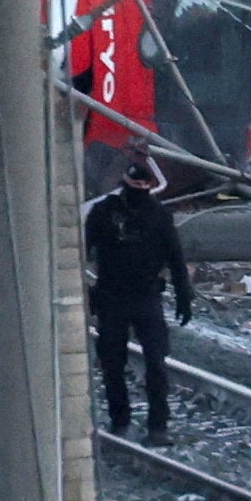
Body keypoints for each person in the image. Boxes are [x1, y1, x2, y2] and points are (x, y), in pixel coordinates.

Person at [84, 156, 194, 444]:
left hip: (145, 298)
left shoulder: (159, 215)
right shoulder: (103, 213)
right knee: (112, 363)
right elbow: (79, 252)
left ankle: (158, 425)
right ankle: (120, 421)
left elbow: (175, 257)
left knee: (156, 363)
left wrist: (184, 295)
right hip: (112, 297)